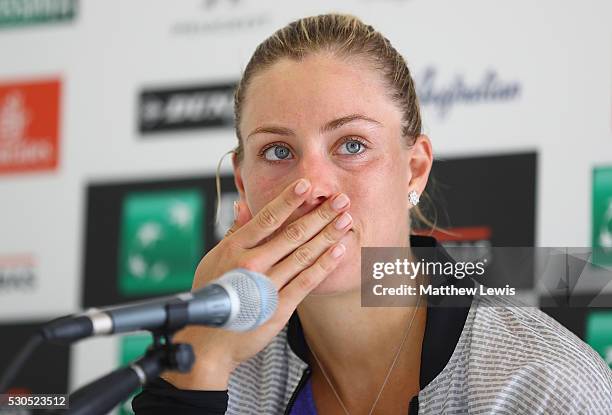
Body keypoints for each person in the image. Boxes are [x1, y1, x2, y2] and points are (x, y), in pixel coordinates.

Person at [132, 13, 612, 414]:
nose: (311, 187)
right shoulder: (209, 363)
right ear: (242, 182)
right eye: (278, 151)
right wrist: (199, 369)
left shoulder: (541, 383)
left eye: (352, 145)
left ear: (415, 170)